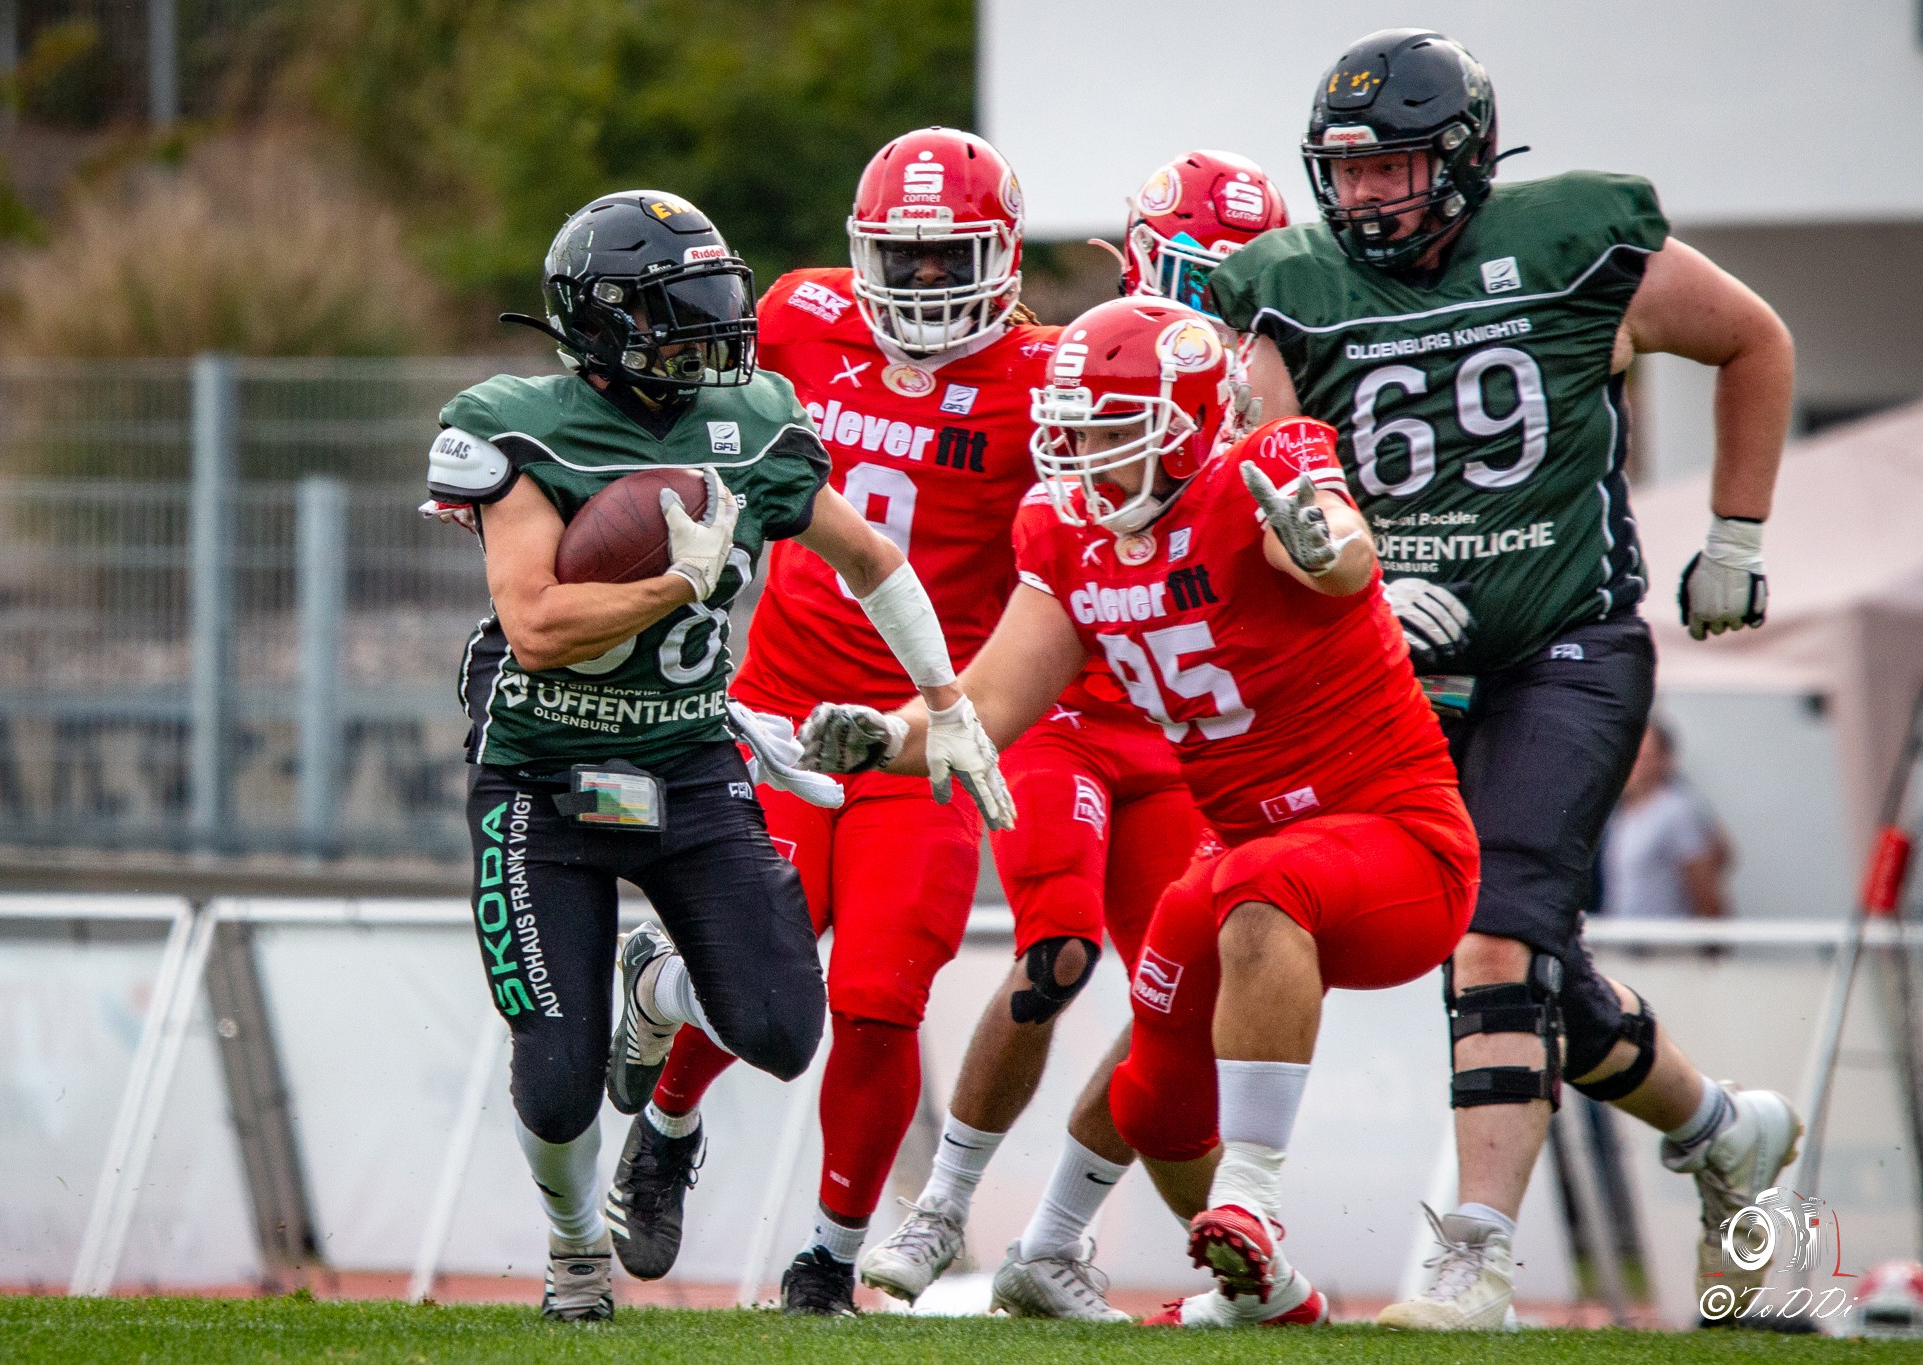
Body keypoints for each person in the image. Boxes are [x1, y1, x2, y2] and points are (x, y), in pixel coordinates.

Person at [1206, 28, 1801, 1328]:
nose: (1366, 196)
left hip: (1562, 643)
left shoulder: (1574, 241)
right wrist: (1349, 580)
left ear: (1465, 158)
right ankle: (1717, 1128)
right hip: (1398, 670)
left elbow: (1754, 339)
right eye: (1345, 172)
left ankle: (1472, 1258)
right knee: (1516, 960)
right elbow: (1264, 488)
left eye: (1392, 167)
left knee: (1495, 936)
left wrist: (1736, 537)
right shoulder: (1286, 292)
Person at [800, 296, 1481, 1328]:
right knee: (1154, 1087)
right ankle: (1253, 1299)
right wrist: (883, 736)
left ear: (1190, 423)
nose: (1084, 456)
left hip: (1397, 836)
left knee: (1256, 886)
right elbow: (987, 703)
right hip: (1247, 851)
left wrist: (1322, 544)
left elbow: (1336, 547)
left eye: (1112, 429)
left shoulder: (1264, 466)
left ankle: (1251, 1200)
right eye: (1072, 432)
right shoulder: (1065, 533)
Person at [421, 189, 1007, 1323]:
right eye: (673, 310)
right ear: (598, 319)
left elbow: (872, 559)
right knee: (558, 1073)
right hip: (541, 770)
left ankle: (660, 985)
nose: (707, 330)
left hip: (686, 757)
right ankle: (575, 1253)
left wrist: (946, 703)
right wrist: (677, 584)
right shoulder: (513, 425)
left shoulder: (753, 420)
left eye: (711, 301)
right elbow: (535, 624)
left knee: (783, 1029)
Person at [598, 128, 1052, 1317]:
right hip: (779, 717)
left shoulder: (1045, 378)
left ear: (1001, 255)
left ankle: (827, 1261)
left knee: (879, 996)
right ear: (861, 251)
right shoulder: (799, 316)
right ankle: (667, 1124)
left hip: (922, 734)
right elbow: (664, 403)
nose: (922, 281)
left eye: (948, 255)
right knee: (756, 961)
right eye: (901, 257)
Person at [856, 149, 1290, 1322]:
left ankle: (1049, 1242)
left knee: (1176, 1001)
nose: (1212, 306)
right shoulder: (1081, 366)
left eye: (1237, 280)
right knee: (1057, 950)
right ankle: (941, 1208)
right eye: (1194, 274)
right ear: (1137, 257)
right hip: (1061, 709)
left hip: (1179, 731)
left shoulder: (1276, 397)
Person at [1602, 721, 1732, 921]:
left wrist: (1710, 937)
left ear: (1664, 759)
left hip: (1662, 937)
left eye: (1643, 757)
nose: (1634, 766)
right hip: (1622, 936)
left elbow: (1706, 892)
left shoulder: (1676, 811)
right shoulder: (1620, 815)